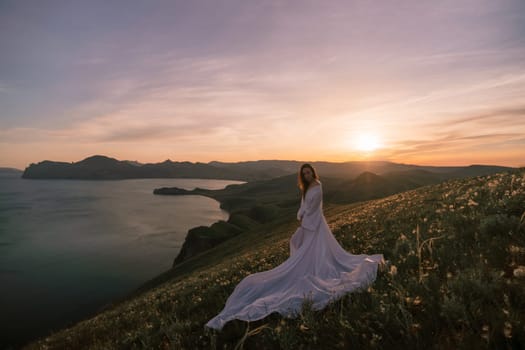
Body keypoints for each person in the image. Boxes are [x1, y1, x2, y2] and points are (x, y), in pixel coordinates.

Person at [205, 163, 384, 331]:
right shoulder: (306, 187)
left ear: (313, 172)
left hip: (314, 224)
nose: (307, 176)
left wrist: (305, 218)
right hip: (307, 222)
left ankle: (315, 268)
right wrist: (301, 214)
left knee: (315, 249)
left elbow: (314, 207)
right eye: (304, 174)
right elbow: (304, 204)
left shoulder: (318, 186)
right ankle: (312, 265)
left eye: (309, 173)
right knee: (306, 247)